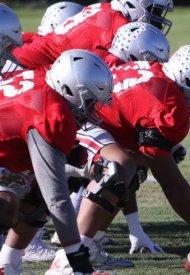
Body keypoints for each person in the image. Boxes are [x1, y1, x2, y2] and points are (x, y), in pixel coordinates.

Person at [46, 45, 190, 274]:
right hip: (69, 124)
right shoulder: (170, 104)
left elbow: (143, 150)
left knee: (132, 169)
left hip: (82, 124)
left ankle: (90, 248)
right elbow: (171, 183)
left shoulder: (154, 71)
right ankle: (69, 259)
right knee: (116, 168)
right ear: (189, 82)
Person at [0, 49, 113, 275]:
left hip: (7, 158)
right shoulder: (50, 113)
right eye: (90, 102)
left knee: (38, 195)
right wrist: (78, 261)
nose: (93, 111)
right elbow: (57, 199)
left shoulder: (45, 80)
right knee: (5, 205)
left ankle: (7, 264)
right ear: (70, 89)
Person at [9, 0, 173, 71]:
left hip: (28, 59)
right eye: (156, 11)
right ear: (137, 5)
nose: (159, 19)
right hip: (29, 67)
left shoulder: (107, 9)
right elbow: (117, 72)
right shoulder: (115, 27)